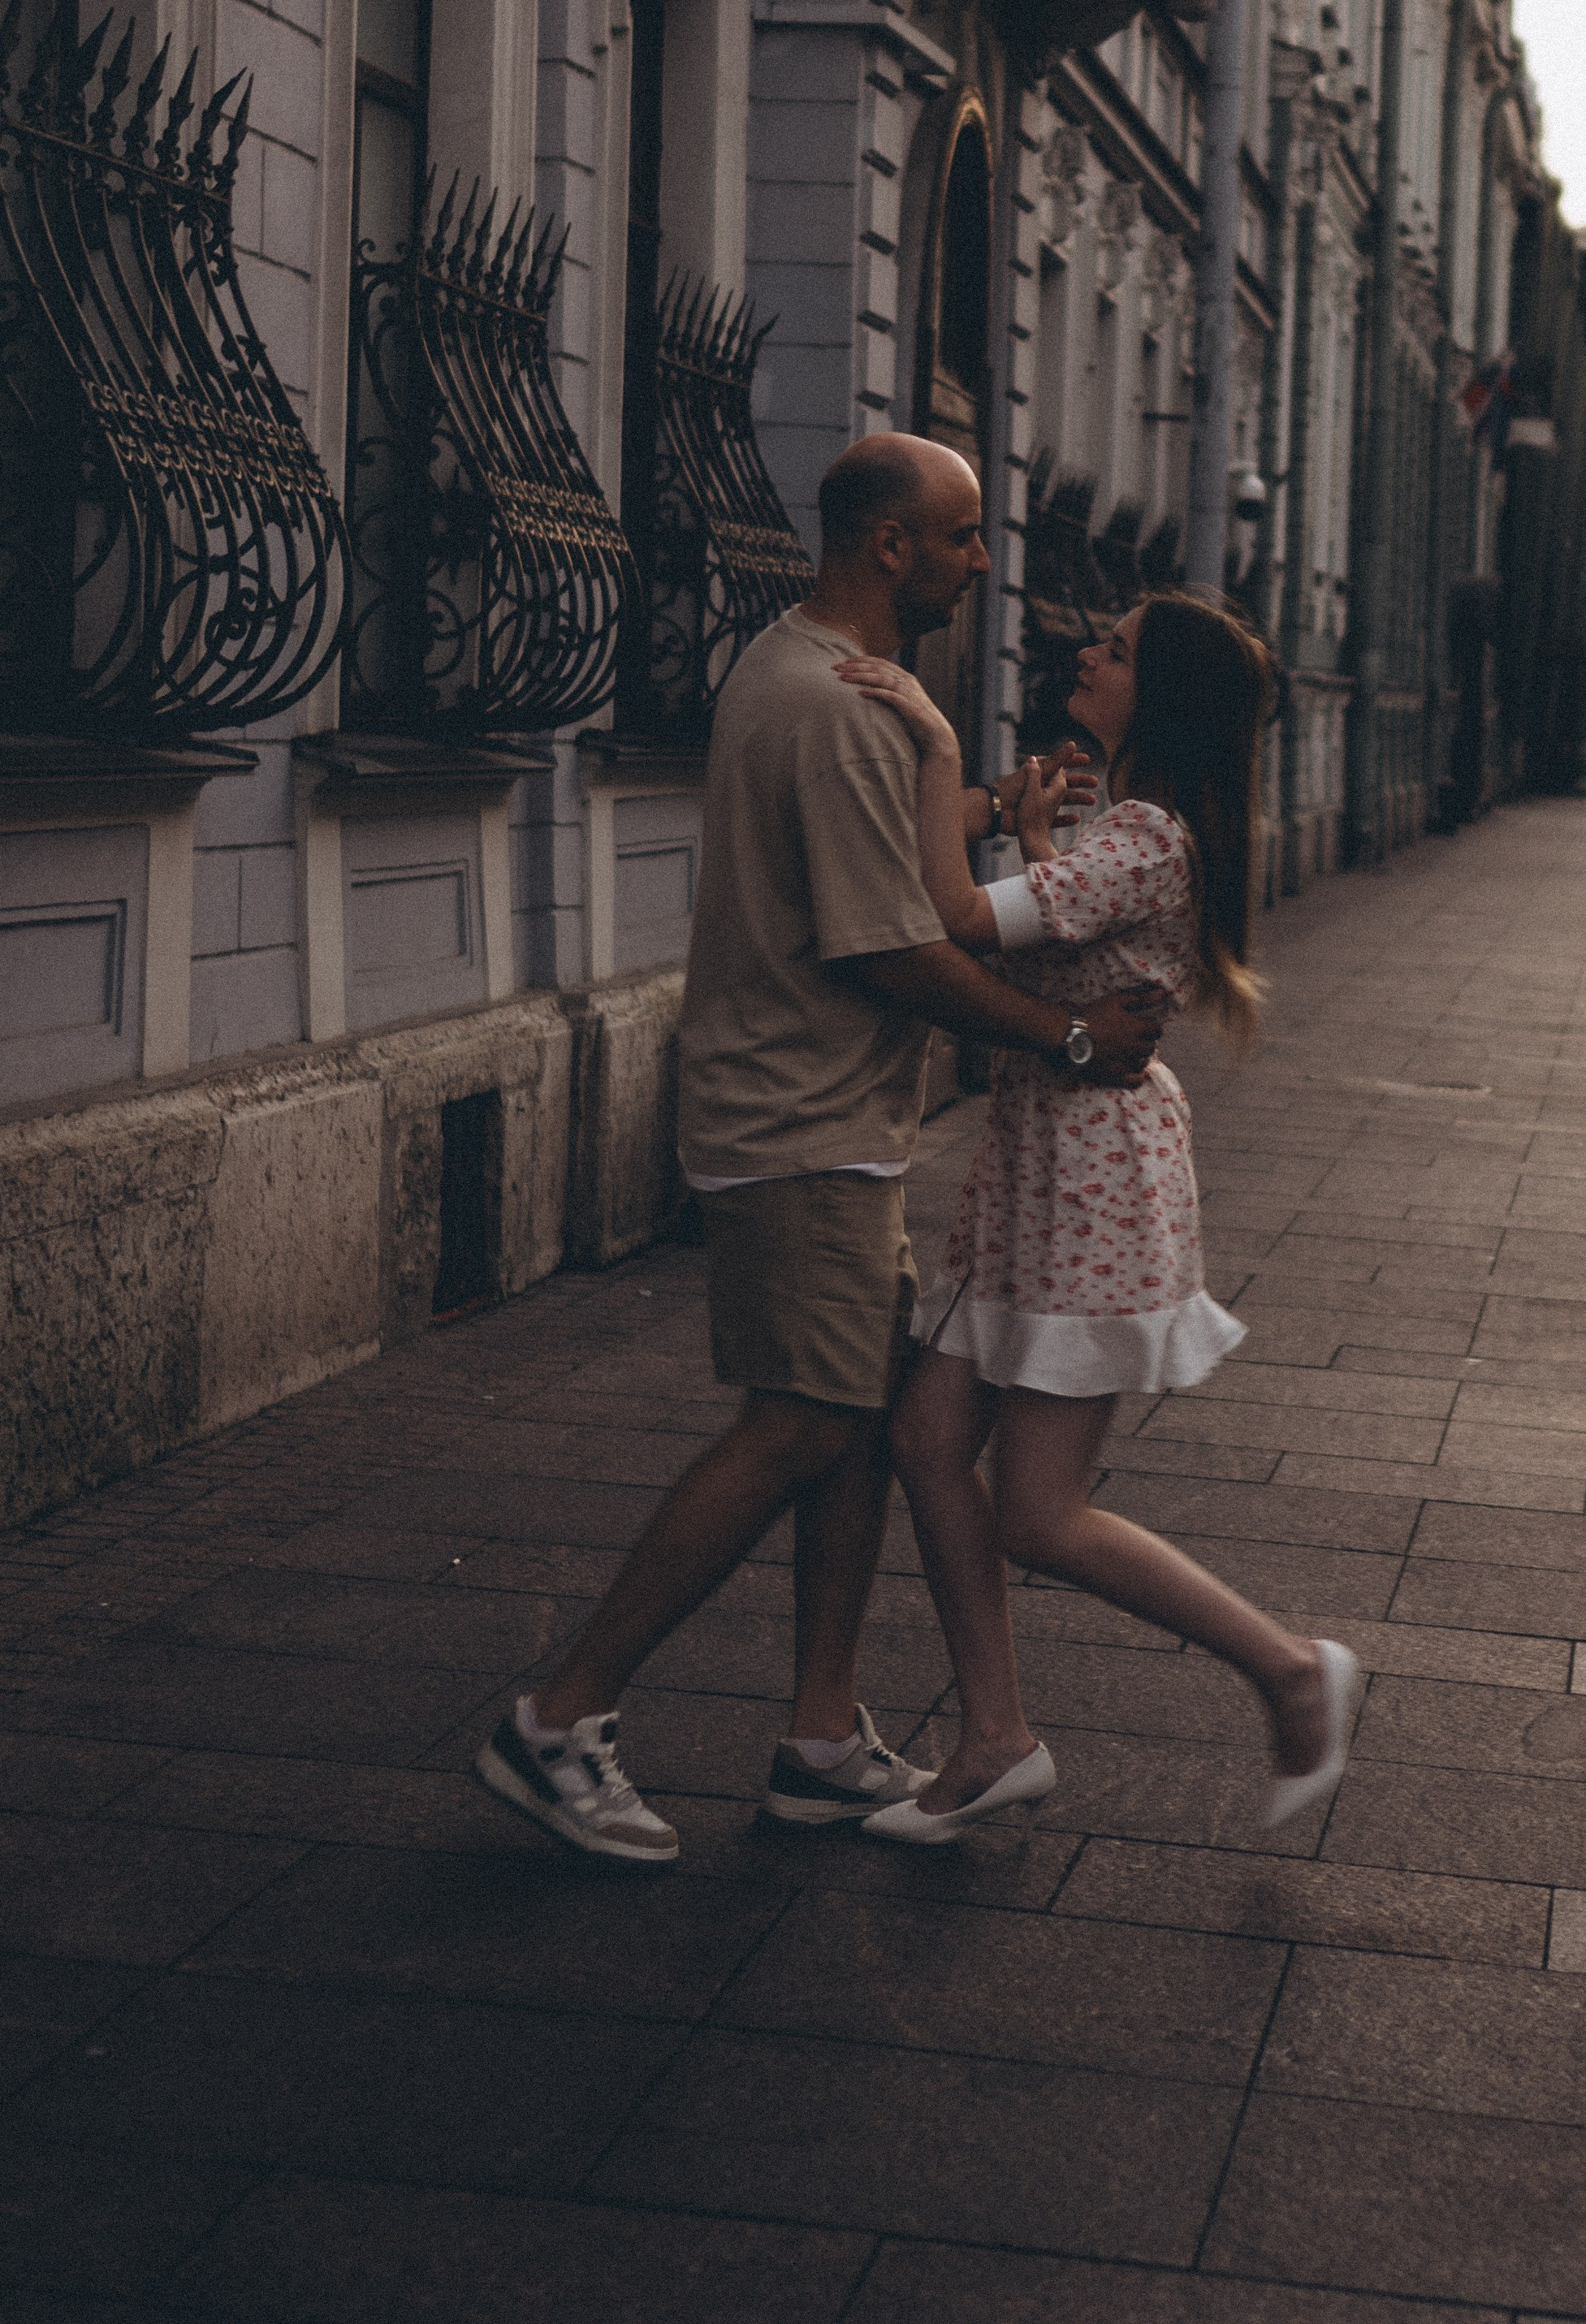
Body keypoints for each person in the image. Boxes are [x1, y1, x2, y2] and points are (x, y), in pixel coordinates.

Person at [475, 433, 1164, 1863]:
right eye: (964, 536)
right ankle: (560, 1715)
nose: (985, 561)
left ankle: (819, 1736)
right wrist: (1069, 1041)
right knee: (798, 1423)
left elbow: (863, 862)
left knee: (856, 1411)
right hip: (800, 1120)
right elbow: (892, 949)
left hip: (816, 1114)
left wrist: (968, 795)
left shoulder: (806, 674)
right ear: (889, 547)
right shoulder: (853, 709)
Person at [832, 593, 1360, 1844]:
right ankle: (997, 1737)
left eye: (1114, 651)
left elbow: (963, 926)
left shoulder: (1147, 839)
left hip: (1091, 1179)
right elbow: (1034, 935)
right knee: (922, 1440)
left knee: (1040, 1511)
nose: (1087, 653)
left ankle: (1292, 1672)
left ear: (1155, 696)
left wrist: (945, 760)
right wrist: (1015, 830)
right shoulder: (1123, 830)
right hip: (1038, 1164)